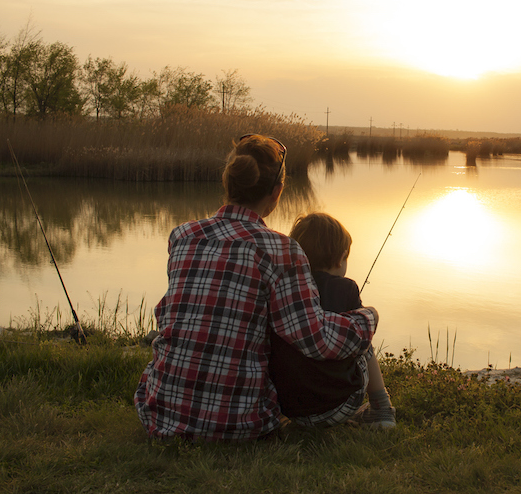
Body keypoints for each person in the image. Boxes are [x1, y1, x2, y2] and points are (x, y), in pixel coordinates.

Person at [134, 134, 379, 441]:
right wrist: (367, 317)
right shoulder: (281, 250)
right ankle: (381, 408)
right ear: (276, 193)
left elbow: (171, 315)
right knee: (353, 335)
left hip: (161, 414)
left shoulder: (182, 236)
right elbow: (316, 340)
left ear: (228, 183)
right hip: (241, 424)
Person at [269, 213, 395, 428]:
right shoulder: (346, 288)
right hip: (342, 404)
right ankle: (382, 409)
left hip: (289, 407)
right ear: (341, 257)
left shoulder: (284, 290)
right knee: (362, 332)